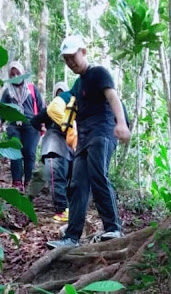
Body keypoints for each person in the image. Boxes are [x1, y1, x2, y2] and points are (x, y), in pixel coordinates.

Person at [47, 35, 130, 249]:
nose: (71, 62)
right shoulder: (78, 84)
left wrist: (121, 123)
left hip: (102, 132)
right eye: (66, 59)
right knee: (77, 185)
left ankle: (113, 227)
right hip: (84, 138)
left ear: (83, 51)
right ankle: (71, 237)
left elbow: (113, 98)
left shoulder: (98, 73)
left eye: (73, 56)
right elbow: (68, 107)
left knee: (97, 175)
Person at [30, 81, 74, 222]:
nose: (60, 96)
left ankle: (67, 209)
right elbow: (35, 121)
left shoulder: (73, 109)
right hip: (54, 145)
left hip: (68, 146)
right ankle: (61, 209)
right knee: (55, 177)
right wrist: (43, 129)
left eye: (63, 93)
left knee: (67, 179)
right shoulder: (51, 110)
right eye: (58, 94)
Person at [1, 61, 44, 192]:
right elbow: (2, 110)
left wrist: (43, 123)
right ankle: (17, 182)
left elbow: (42, 107)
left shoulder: (32, 88)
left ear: (23, 73)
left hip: (31, 124)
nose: (16, 75)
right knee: (15, 151)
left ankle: (28, 182)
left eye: (18, 73)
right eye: (12, 74)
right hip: (14, 125)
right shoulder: (7, 92)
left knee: (29, 152)